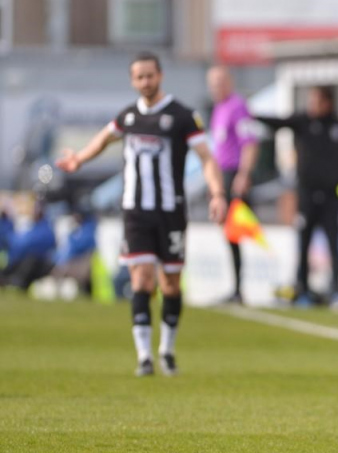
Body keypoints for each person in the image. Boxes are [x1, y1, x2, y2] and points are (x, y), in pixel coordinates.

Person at [56, 51, 227, 377]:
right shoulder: (128, 117)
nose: (145, 82)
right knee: (142, 279)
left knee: (171, 284)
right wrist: (79, 159)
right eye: (139, 77)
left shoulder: (182, 116)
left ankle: (167, 349)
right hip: (135, 212)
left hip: (171, 211)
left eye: (150, 75)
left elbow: (207, 157)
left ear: (160, 75)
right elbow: (105, 138)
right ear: (133, 81)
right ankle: (144, 356)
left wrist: (217, 193)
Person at [256, 86, 338, 307]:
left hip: (330, 197)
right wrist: (251, 115)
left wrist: (333, 181)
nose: (312, 106)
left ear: (327, 103)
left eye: (316, 101)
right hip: (306, 196)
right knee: (303, 242)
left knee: (333, 243)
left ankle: (337, 291)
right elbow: (278, 123)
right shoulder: (303, 122)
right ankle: (302, 289)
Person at [207, 65, 260, 305]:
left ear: (229, 82)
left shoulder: (237, 106)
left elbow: (249, 142)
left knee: (235, 232)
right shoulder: (219, 108)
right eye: (212, 82)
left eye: (220, 81)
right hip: (221, 175)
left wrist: (243, 174)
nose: (215, 87)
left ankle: (239, 288)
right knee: (229, 233)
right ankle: (235, 287)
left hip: (232, 174)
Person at [0, 203, 56, 290]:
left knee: (30, 261)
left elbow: (28, 245)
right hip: (18, 259)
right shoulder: (31, 227)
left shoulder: (46, 229)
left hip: (38, 264)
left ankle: (16, 282)